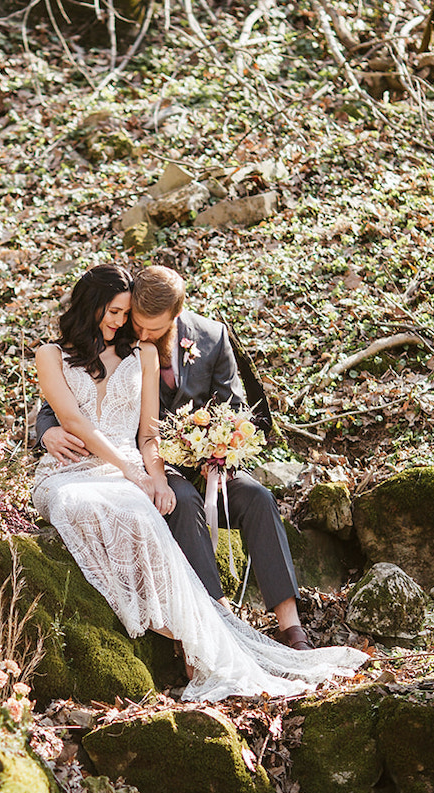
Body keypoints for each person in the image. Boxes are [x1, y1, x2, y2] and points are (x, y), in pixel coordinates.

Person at [30, 264, 367, 701]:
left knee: (261, 499)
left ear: (174, 317)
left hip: (201, 464)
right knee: (181, 503)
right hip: (145, 466)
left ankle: (292, 626)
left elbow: (239, 410)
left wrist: (220, 449)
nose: (136, 330)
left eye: (145, 325)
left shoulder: (208, 338)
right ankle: (214, 617)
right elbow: (68, 405)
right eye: (129, 319)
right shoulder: (117, 341)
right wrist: (46, 430)